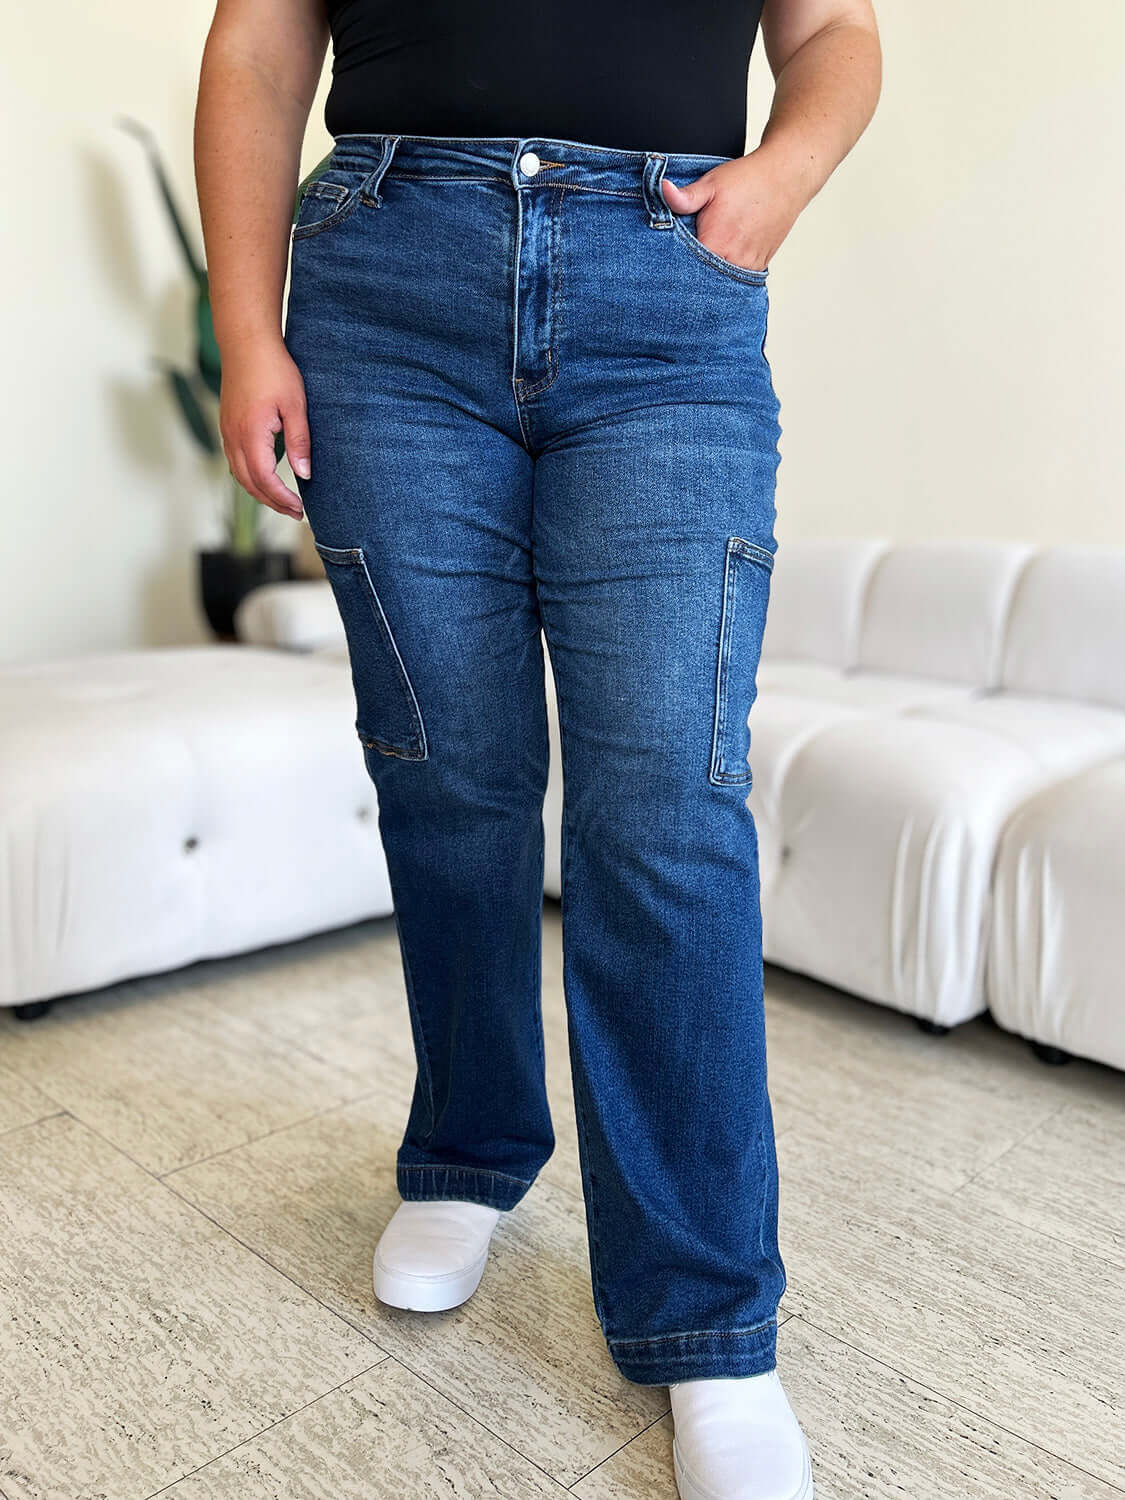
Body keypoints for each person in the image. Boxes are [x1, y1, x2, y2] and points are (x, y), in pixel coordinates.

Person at [195, 4, 881, 1496]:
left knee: (664, 804)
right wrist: (247, 331)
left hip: (666, 285)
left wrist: (781, 172)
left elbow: (831, 29)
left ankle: (705, 1320)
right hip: (386, 284)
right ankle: (468, 1149)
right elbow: (256, 51)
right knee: (446, 773)